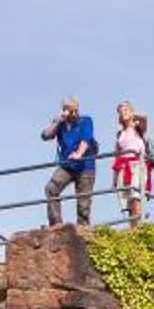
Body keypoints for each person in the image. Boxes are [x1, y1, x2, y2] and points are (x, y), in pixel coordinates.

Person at [41, 97, 98, 226]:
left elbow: (86, 139)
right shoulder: (61, 124)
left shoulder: (85, 121)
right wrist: (57, 122)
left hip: (85, 166)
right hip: (67, 165)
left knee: (83, 205)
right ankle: (56, 224)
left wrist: (79, 153)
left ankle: (83, 230)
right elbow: (45, 135)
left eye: (73, 110)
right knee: (51, 188)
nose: (71, 113)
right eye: (67, 109)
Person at [111, 102, 153, 226]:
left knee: (136, 196)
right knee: (127, 201)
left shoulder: (138, 127)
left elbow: (144, 117)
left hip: (136, 164)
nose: (122, 112)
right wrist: (114, 178)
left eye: (125, 110)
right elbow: (117, 155)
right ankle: (133, 228)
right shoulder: (120, 134)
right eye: (120, 111)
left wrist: (132, 114)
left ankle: (138, 227)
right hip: (123, 167)